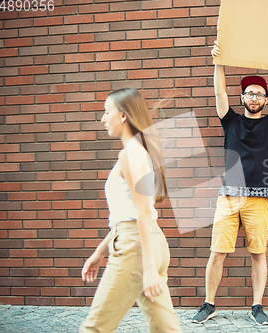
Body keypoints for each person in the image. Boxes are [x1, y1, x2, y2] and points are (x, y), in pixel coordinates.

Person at [191, 41, 268, 326]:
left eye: (260, 94)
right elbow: (219, 91)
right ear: (242, 97)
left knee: (258, 253)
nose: (255, 97)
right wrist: (218, 61)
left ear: (266, 99)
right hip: (228, 197)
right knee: (217, 252)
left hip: (259, 198)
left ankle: (257, 306)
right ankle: (209, 304)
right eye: (250, 93)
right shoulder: (229, 121)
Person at [80, 88, 181, 333]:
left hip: (136, 251)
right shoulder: (138, 152)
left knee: (94, 329)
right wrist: (100, 252)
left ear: (123, 115)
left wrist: (147, 269)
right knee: (165, 329)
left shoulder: (131, 154)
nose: (103, 119)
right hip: (148, 244)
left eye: (107, 112)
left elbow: (142, 212)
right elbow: (130, 214)